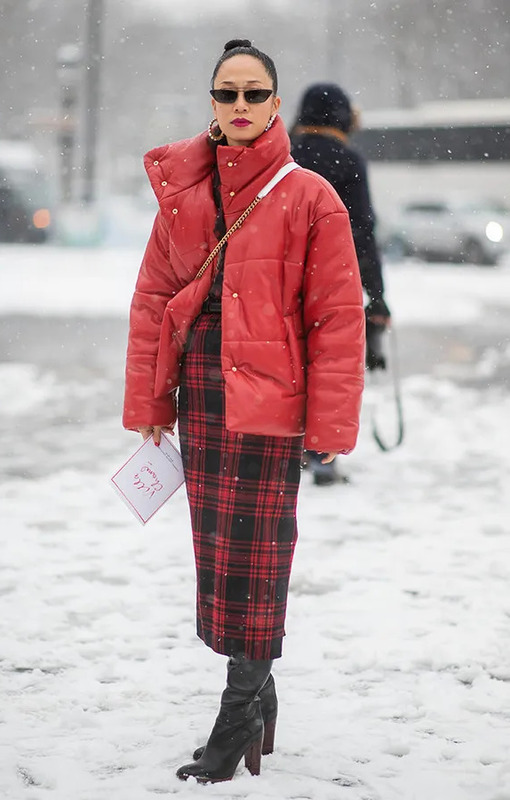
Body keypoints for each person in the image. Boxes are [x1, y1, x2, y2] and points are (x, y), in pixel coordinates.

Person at [123, 40, 365, 784]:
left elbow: (336, 318)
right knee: (220, 560)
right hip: (201, 396)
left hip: (271, 405)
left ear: (274, 102)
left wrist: (329, 425)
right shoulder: (187, 193)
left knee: (259, 563)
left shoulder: (310, 197)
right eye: (226, 94)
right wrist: (149, 402)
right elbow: (154, 300)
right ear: (212, 102)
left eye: (253, 94)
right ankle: (261, 697)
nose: (239, 107)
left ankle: (235, 717)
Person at [290, 83, 391, 485]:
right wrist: (378, 297)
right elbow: (363, 231)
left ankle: (288, 445)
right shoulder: (349, 160)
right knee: (325, 367)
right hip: (332, 280)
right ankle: (322, 456)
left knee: (289, 364)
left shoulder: (283, 153)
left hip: (282, 278)